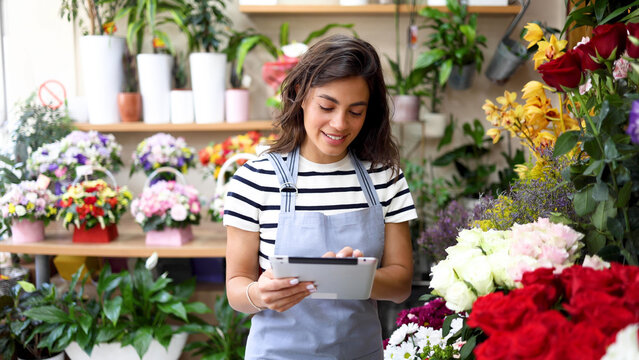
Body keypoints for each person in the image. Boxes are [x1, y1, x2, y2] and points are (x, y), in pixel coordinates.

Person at [224, 34, 417, 359]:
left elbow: (401, 285)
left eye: (356, 112)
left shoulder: (385, 178)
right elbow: (236, 286)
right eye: (327, 106)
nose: (339, 124)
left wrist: (356, 278)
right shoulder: (256, 178)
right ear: (299, 94)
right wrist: (259, 293)